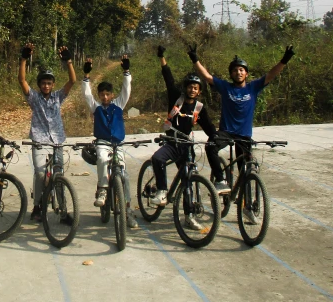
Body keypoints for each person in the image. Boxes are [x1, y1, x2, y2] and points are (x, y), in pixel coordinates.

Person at [188, 43, 295, 222]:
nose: (238, 72)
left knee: (246, 170)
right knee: (210, 146)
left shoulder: (253, 88)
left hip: (244, 136)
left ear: (246, 73)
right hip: (226, 132)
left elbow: (271, 74)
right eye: (235, 70)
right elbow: (207, 76)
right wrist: (195, 59)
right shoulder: (226, 87)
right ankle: (220, 179)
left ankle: (247, 207)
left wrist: (285, 59)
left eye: (241, 70)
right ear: (231, 73)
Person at [150, 46, 219, 230]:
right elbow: (168, 78)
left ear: (199, 91)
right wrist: (162, 57)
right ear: (185, 88)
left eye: (195, 88)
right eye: (189, 87)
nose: (192, 90)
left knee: (188, 181)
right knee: (157, 158)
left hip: (186, 147)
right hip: (172, 142)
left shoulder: (199, 108)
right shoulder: (176, 98)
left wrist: (215, 138)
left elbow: (209, 127)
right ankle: (162, 191)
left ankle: (189, 216)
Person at [18, 42, 76, 223]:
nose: (46, 86)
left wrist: (68, 62)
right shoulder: (34, 98)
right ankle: (37, 206)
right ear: (39, 84)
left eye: (49, 83)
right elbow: (22, 80)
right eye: (43, 83)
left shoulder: (58, 96)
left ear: (53, 84)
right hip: (39, 141)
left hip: (57, 140)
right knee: (41, 174)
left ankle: (64, 211)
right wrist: (24, 59)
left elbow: (72, 81)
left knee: (58, 176)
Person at [81, 55, 139, 229]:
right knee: (101, 158)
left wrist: (126, 72)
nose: (105, 97)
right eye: (102, 95)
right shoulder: (96, 107)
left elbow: (126, 90)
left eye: (108, 94)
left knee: (125, 176)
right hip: (103, 143)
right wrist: (86, 75)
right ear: (99, 95)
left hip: (118, 144)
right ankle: (103, 190)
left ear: (112, 95)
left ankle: (128, 212)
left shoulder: (118, 105)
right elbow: (86, 94)